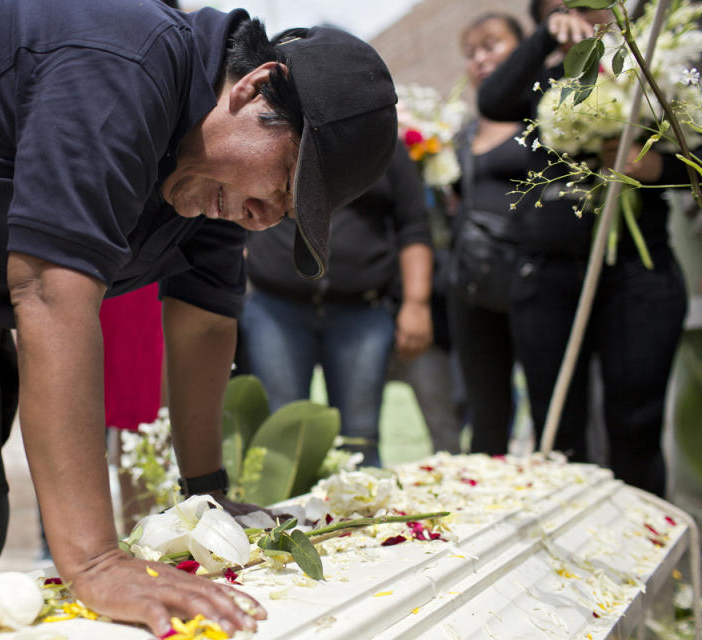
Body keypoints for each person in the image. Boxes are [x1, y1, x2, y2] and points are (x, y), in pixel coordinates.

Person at [0, 1, 399, 637]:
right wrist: (93, 561)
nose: (265, 215)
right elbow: (51, 293)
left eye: (286, 211)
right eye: (285, 181)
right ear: (257, 88)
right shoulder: (123, 62)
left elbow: (203, 321)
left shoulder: (211, 183)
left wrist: (206, 495)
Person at [478, 0, 688, 495]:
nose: (578, 14)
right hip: (548, 276)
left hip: (638, 266)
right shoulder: (542, 76)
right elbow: (492, 101)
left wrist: (658, 169)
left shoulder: (654, 63)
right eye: (561, 7)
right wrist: (545, 40)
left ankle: (643, 547)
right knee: (559, 432)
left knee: (635, 425)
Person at [239, 142, 433, 467]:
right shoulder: (279, 135)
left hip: (361, 312)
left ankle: (361, 514)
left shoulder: (386, 147)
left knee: (359, 437)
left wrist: (417, 303)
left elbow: (413, 226)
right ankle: (281, 517)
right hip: (276, 309)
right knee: (278, 435)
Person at [447, 12, 527, 455]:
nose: (481, 59)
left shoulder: (544, 119)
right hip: (473, 280)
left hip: (534, 273)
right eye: (471, 52)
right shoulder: (461, 134)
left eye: (492, 45)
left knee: (557, 404)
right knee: (485, 409)